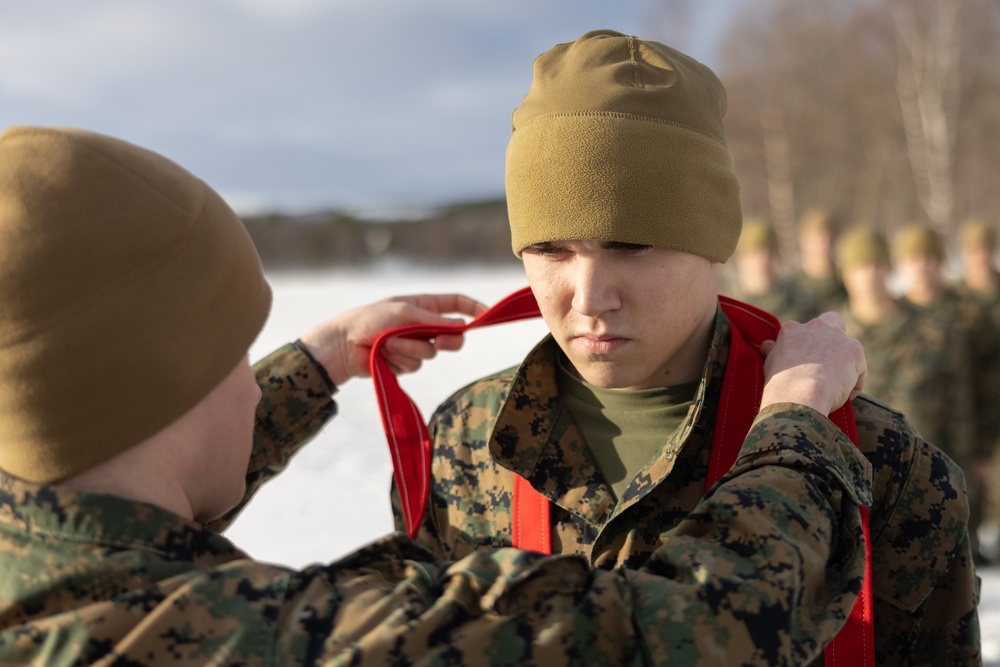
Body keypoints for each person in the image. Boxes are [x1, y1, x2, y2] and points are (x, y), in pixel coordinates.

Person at [0, 125, 877, 666]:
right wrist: (793, 418)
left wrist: (318, 362)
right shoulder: (289, 641)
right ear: (172, 384)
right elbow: (712, 629)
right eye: (235, 351)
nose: (591, 291)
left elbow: (110, 450)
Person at [400, 31, 980, 667]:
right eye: (551, 250)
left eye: (632, 246)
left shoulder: (879, 466)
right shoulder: (462, 447)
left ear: (712, 240)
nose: (590, 297)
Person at [956, 218, 1000, 563]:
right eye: (973, 250)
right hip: (970, 398)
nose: (980, 256)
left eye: (985, 249)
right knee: (972, 473)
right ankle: (972, 542)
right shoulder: (956, 298)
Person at [728, 218, 824, 322]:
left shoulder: (800, 302)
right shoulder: (730, 308)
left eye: (768, 252)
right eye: (754, 253)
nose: (762, 260)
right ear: (741, 259)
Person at [792, 208, 848, 312]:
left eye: (826, 241)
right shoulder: (791, 286)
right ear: (803, 241)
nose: (822, 248)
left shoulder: (847, 283)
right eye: (815, 242)